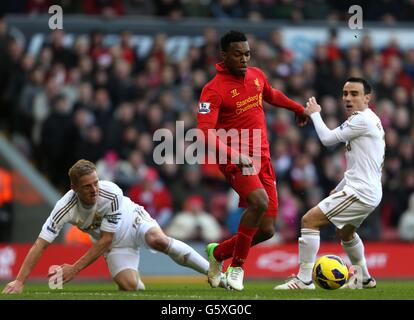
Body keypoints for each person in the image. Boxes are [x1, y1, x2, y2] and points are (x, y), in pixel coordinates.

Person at [197, 30, 308, 291]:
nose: (244, 59)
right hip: (235, 160)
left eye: (247, 54)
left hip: (263, 159)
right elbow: (203, 132)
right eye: (238, 54)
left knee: (267, 229)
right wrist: (233, 154)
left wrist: (297, 108)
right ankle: (237, 268)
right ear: (224, 56)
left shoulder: (257, 76)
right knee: (259, 202)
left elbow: (271, 94)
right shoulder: (213, 90)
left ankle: (217, 253)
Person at [2, 159, 214, 294]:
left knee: (157, 240)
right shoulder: (64, 208)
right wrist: (20, 281)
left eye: (96, 182)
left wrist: (74, 269)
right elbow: (40, 244)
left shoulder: (110, 192)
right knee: (130, 286)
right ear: (73, 188)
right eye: (87, 186)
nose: (95, 189)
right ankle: (134, 280)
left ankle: (212, 272)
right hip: (114, 245)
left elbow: (105, 239)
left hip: (132, 222)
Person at [274, 77, 385, 290]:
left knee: (309, 220)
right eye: (345, 93)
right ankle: (364, 277)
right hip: (366, 190)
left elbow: (327, 139)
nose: (348, 98)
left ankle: (304, 279)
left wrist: (315, 113)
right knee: (346, 233)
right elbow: (363, 165)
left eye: (354, 94)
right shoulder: (371, 120)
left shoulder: (361, 120)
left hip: (361, 192)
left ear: (367, 97)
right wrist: (342, 185)